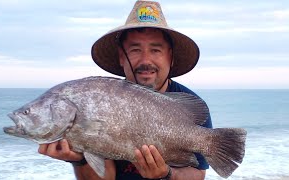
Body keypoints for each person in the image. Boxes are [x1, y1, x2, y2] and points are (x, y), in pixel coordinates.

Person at [38, 0, 213, 179]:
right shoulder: (102, 100)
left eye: (155, 50)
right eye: (135, 50)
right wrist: (80, 160)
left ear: (171, 57)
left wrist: (167, 175)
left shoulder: (188, 104)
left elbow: (198, 174)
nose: (146, 60)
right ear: (122, 57)